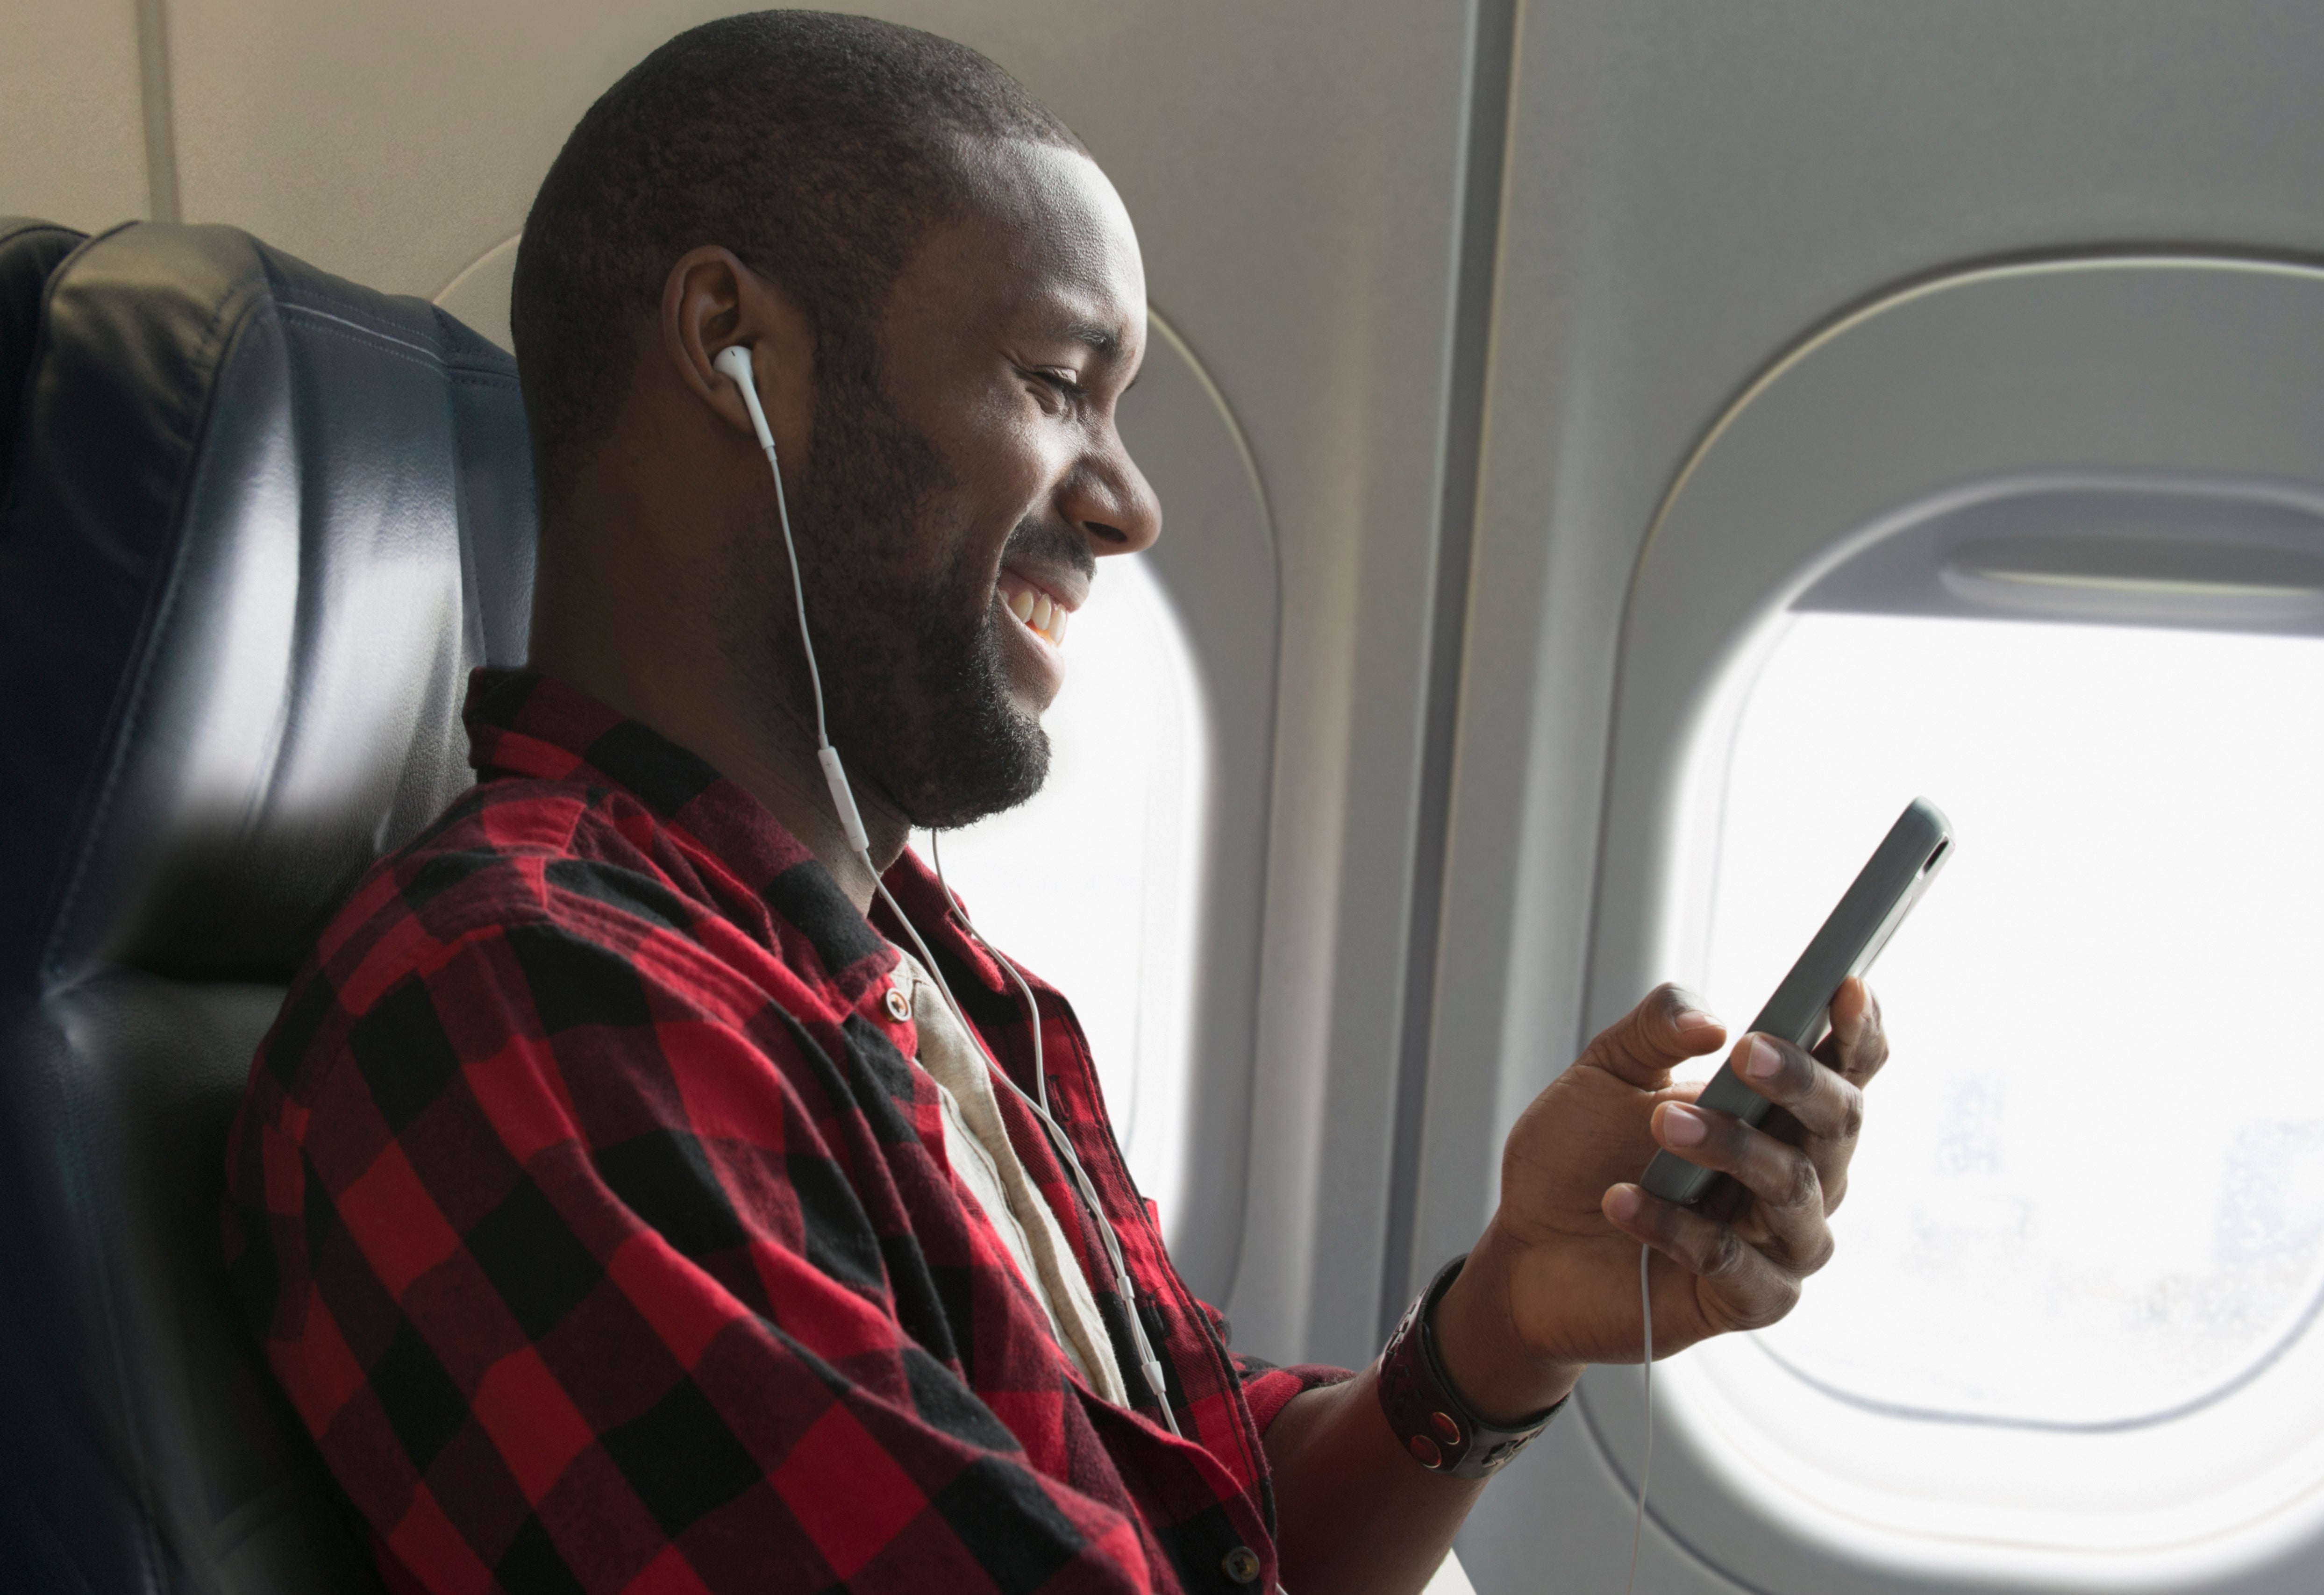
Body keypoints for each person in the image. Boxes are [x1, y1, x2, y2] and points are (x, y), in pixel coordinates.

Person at [224, 13, 1890, 1595]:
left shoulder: (923, 975)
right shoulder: (524, 999)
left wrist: (1512, 1314)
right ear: (732, 344)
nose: (1133, 504)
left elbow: (1216, 1541)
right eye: (1053, 381)